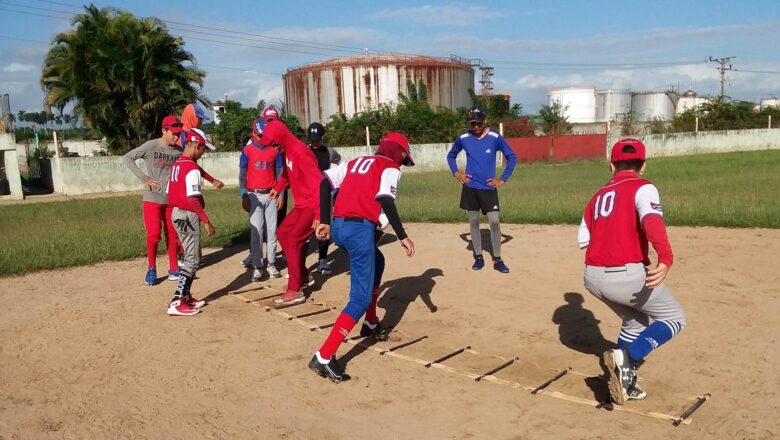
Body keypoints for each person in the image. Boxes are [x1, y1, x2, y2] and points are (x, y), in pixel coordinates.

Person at [577, 138, 686, 405]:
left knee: (635, 321)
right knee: (674, 319)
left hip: (592, 276)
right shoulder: (643, 186)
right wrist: (665, 257)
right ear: (643, 165)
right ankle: (628, 357)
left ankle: (625, 381)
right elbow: (652, 221)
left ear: (611, 166)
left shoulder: (597, 196)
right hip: (624, 275)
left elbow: (583, 239)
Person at [308, 132, 416, 382]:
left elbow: (325, 182)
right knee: (359, 298)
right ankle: (324, 357)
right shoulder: (389, 167)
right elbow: (385, 199)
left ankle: (370, 322)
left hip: (340, 227)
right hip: (359, 231)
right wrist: (402, 235)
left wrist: (325, 218)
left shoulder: (357, 161)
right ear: (396, 151)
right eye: (403, 156)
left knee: (378, 261)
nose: (402, 162)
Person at [255, 119, 323, 308]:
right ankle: (302, 276)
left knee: (292, 239)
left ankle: (295, 290)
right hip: (301, 204)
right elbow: (286, 174)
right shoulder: (287, 151)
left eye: (273, 142)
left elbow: (319, 183)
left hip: (312, 205)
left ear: (281, 137)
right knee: (283, 233)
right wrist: (278, 188)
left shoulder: (300, 152)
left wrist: (319, 215)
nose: (273, 146)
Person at [446, 106, 517, 273]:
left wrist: (502, 179)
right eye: (472, 123)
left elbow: (512, 157)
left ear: (485, 120)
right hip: (470, 187)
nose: (475, 126)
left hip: (488, 188)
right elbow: (451, 155)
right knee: (474, 222)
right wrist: (456, 173)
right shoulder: (463, 137)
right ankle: (478, 256)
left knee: (494, 221)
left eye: (478, 122)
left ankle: (497, 258)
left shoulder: (494, 137)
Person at [123, 116, 187, 285]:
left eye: (179, 134)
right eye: (173, 133)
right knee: (154, 235)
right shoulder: (152, 146)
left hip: (171, 200)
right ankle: (151, 268)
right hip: (152, 198)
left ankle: (174, 269)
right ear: (164, 131)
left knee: (172, 235)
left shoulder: (179, 152)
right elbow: (127, 158)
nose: (176, 137)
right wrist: (144, 178)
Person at [165, 128, 217, 316]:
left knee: (190, 257)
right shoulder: (192, 169)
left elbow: (169, 192)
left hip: (177, 213)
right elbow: (193, 199)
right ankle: (177, 301)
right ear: (196, 145)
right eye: (203, 149)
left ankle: (185, 296)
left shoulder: (178, 164)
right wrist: (206, 221)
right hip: (188, 214)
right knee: (192, 260)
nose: (204, 153)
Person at [239, 119, 282, 280]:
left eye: (265, 135)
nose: (262, 138)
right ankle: (257, 266)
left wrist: (281, 194)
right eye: (259, 135)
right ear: (253, 134)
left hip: (271, 194)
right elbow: (242, 174)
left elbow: (279, 173)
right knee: (256, 232)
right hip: (254, 195)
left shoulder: (274, 150)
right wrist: (243, 194)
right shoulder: (247, 150)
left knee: (272, 232)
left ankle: (271, 264)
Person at [306, 121, 342, 276]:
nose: (314, 143)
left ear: (322, 137)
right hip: (307, 196)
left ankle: (322, 260)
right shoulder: (304, 151)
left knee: (324, 226)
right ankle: (300, 265)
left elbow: (342, 163)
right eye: (312, 139)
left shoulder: (330, 152)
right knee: (305, 229)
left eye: (317, 139)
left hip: (324, 195)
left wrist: (336, 180)